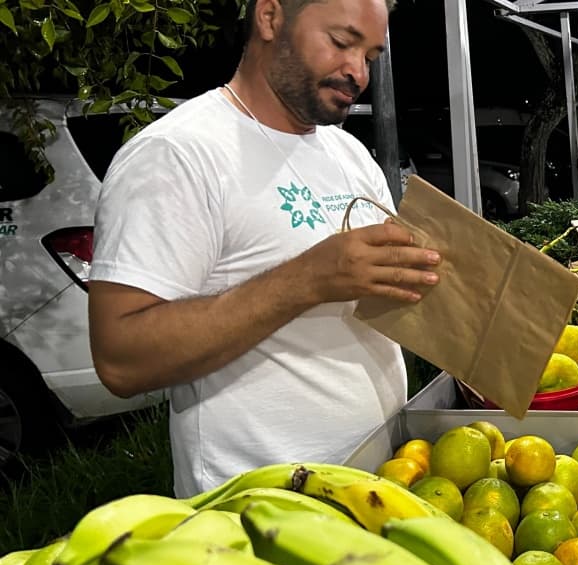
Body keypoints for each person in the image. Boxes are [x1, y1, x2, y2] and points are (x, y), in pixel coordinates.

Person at [88, 0, 442, 498]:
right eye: (341, 43)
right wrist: (308, 280)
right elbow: (121, 360)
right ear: (271, 16)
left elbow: (391, 295)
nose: (357, 72)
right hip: (260, 518)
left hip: (379, 487)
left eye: (371, 55)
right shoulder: (178, 153)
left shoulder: (349, 154)